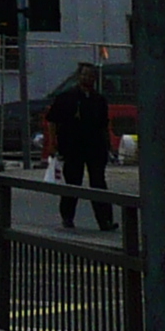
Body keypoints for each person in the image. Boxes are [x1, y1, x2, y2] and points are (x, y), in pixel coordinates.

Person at [43, 63, 116, 230]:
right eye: (85, 75)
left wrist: (109, 145)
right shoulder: (66, 97)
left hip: (95, 147)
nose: (87, 78)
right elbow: (52, 121)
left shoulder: (99, 100)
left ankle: (105, 220)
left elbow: (104, 125)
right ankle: (67, 217)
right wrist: (53, 144)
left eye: (91, 76)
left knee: (99, 183)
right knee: (73, 182)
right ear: (79, 76)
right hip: (72, 146)